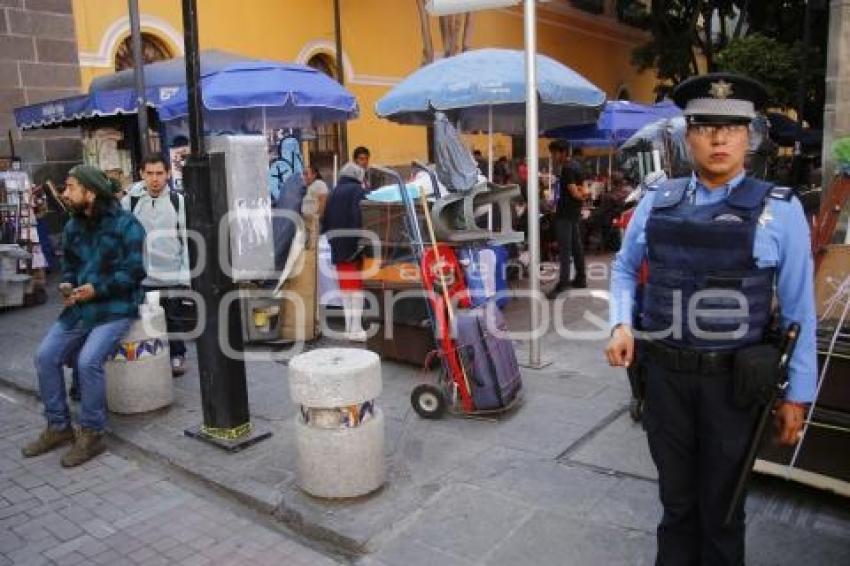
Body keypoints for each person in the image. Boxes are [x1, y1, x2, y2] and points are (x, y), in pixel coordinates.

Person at [605, 73, 816, 565]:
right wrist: (621, 323)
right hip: (664, 381)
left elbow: (800, 310)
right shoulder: (659, 199)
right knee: (675, 507)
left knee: (723, 514)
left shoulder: (779, 211)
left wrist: (798, 396)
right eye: (705, 126)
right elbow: (622, 267)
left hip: (733, 389)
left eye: (733, 127)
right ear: (687, 135)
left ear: (749, 136)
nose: (719, 139)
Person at [22, 165, 146, 468]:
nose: (65, 193)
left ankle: (92, 433)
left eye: (71, 186)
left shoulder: (127, 225)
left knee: (87, 361)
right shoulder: (72, 227)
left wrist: (96, 288)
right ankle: (58, 427)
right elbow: (69, 267)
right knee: (45, 356)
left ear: (90, 191)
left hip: (116, 306)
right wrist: (68, 286)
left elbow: (133, 273)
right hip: (80, 305)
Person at [122, 155, 191, 377]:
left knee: (173, 320)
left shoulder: (177, 201)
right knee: (145, 321)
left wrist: (184, 275)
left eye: (159, 173)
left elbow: (188, 239)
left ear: (168, 174)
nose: (154, 179)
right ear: (141, 174)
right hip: (140, 276)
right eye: (149, 173)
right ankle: (150, 359)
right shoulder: (129, 203)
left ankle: (177, 355)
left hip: (171, 275)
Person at [321, 162, 368, 341]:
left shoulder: (333, 192)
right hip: (353, 246)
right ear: (358, 176)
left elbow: (324, 221)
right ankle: (355, 329)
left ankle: (350, 326)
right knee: (355, 290)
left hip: (337, 245)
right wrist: (360, 241)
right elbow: (359, 216)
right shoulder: (357, 191)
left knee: (346, 289)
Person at [549, 141, 588, 295]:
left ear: (563, 152)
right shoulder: (577, 165)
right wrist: (583, 196)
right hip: (574, 212)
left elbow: (574, 191)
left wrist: (579, 196)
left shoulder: (567, 168)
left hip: (565, 213)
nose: (553, 156)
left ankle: (563, 283)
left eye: (554, 153)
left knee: (565, 248)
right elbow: (583, 188)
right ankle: (581, 278)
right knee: (576, 246)